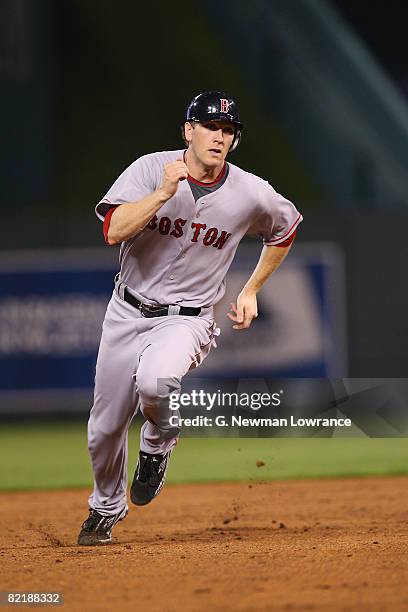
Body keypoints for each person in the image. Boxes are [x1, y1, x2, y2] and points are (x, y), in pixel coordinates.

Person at [77, 91, 303, 545]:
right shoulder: (149, 169)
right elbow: (112, 230)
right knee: (104, 429)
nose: (219, 137)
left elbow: (286, 227)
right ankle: (105, 507)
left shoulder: (250, 191)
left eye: (228, 131)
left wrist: (252, 289)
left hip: (189, 318)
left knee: (157, 382)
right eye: (209, 127)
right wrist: (162, 193)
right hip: (126, 309)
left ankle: (158, 442)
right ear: (188, 131)